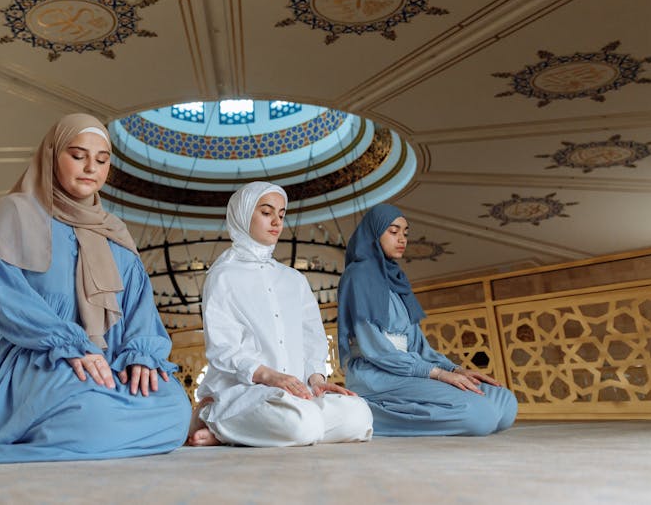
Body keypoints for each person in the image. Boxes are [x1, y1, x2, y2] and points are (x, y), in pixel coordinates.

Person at [0, 114, 191, 463]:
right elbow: (6, 299)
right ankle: (74, 426)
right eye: (78, 156)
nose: (91, 167)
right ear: (51, 155)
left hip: (109, 362)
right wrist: (71, 345)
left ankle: (84, 427)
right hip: (39, 355)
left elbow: (140, 308)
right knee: (89, 413)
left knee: (175, 407)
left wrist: (142, 355)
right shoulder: (16, 212)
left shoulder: (116, 233)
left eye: (102, 160)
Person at [188, 181, 372, 447]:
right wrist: (271, 377)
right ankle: (220, 422)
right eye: (266, 212)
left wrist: (317, 380)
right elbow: (224, 349)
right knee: (302, 424)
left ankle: (241, 431)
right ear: (243, 214)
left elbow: (311, 337)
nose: (276, 221)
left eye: (282, 214)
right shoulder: (222, 276)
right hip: (247, 391)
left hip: (298, 394)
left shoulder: (294, 279)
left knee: (359, 415)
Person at [337, 203, 517, 436]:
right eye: (393, 232)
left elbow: (419, 345)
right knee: (481, 417)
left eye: (405, 233)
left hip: (409, 368)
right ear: (374, 233)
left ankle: (408, 410)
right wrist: (438, 374)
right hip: (376, 372)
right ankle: (369, 414)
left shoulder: (396, 278)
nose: (402, 238)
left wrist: (455, 369)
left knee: (505, 400)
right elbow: (376, 350)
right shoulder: (358, 275)